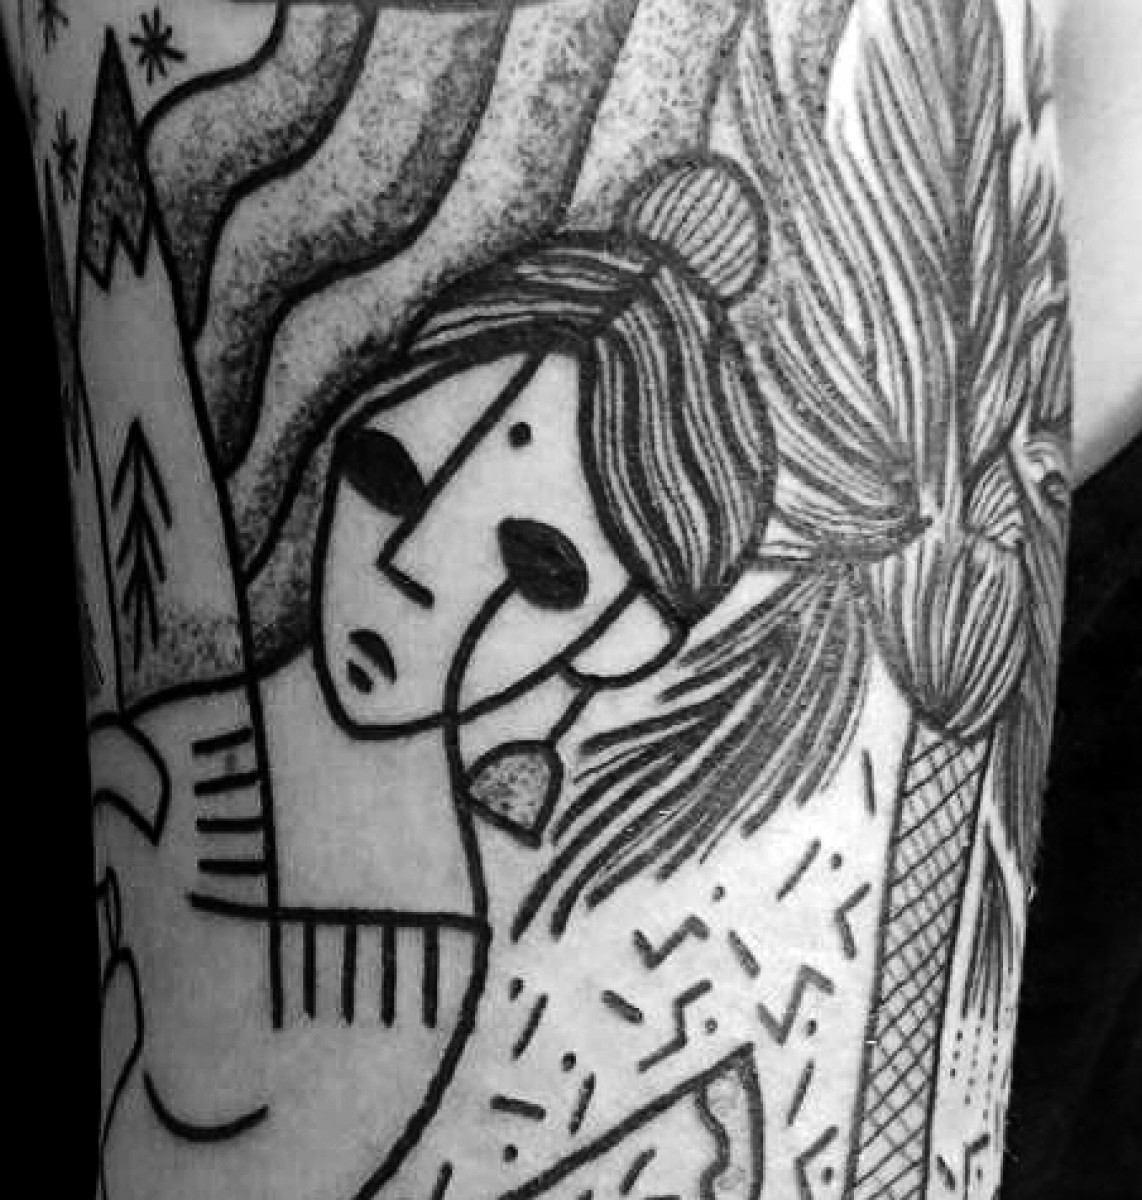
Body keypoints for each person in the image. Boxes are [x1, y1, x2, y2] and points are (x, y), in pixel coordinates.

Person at [0, 1, 1137, 1198]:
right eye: (385, 469)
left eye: (538, 563)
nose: (406, 565)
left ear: (630, 633)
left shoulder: (398, 937)